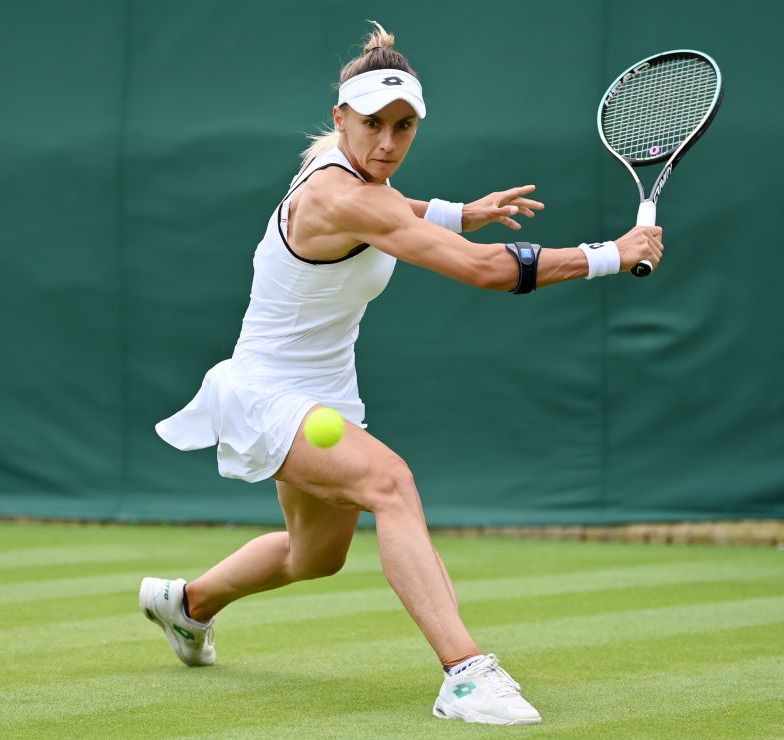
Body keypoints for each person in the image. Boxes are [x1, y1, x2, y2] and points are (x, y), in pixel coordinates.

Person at [140, 21, 663, 726]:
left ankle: (187, 605)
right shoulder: (339, 194)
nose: (387, 143)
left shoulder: (353, 176)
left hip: (324, 394)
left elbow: (398, 208)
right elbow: (480, 270)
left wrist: (458, 212)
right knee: (392, 485)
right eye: (372, 125)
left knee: (314, 554)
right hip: (267, 394)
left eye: (404, 126)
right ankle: (465, 673)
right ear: (341, 120)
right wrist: (610, 252)